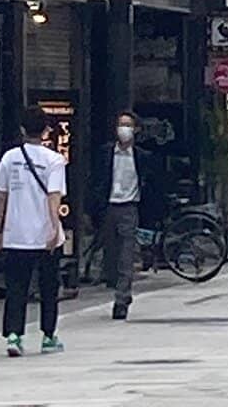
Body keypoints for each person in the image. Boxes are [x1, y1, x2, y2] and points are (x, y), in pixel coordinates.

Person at [0, 106, 67, 357]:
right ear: (46, 130)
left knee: (16, 287)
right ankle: (48, 335)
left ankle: (14, 335)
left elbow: (0, 196)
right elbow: (54, 197)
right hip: (45, 236)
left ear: (22, 129)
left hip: (16, 235)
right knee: (48, 287)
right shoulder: (54, 160)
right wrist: (54, 229)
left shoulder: (10, 158)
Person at [92, 111, 162, 320]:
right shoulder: (105, 154)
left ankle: (122, 299)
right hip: (109, 206)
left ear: (136, 130)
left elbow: (151, 184)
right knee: (110, 255)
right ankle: (116, 286)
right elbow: (95, 181)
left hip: (129, 208)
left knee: (126, 255)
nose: (124, 129)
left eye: (128, 125)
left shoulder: (141, 157)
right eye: (121, 125)